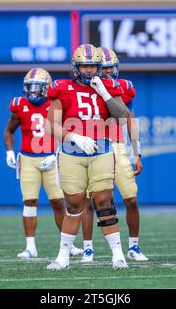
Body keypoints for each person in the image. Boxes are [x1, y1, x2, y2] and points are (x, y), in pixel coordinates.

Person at [46, 44, 130, 270]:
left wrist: (103, 92)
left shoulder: (110, 85)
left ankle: (118, 254)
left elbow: (123, 116)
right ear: (76, 68)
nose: (89, 71)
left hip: (101, 149)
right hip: (71, 152)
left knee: (104, 201)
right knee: (74, 205)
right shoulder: (62, 88)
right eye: (85, 66)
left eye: (92, 66)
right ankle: (63, 257)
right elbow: (50, 125)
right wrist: (74, 136)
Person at [3, 68, 82, 258]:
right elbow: (8, 131)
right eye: (29, 87)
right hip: (28, 158)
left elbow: (65, 131)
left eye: (36, 87)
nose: (32, 92)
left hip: (52, 157)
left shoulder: (55, 104)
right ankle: (30, 247)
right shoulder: (18, 104)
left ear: (46, 88)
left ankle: (68, 245)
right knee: (29, 202)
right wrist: (9, 152)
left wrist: (55, 154)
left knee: (58, 202)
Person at [80, 47, 148, 263]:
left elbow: (129, 118)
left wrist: (137, 152)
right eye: (105, 69)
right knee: (91, 201)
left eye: (111, 69)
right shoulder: (84, 88)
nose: (108, 74)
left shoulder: (124, 87)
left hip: (118, 146)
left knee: (131, 199)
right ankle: (88, 248)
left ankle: (134, 247)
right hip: (96, 145)